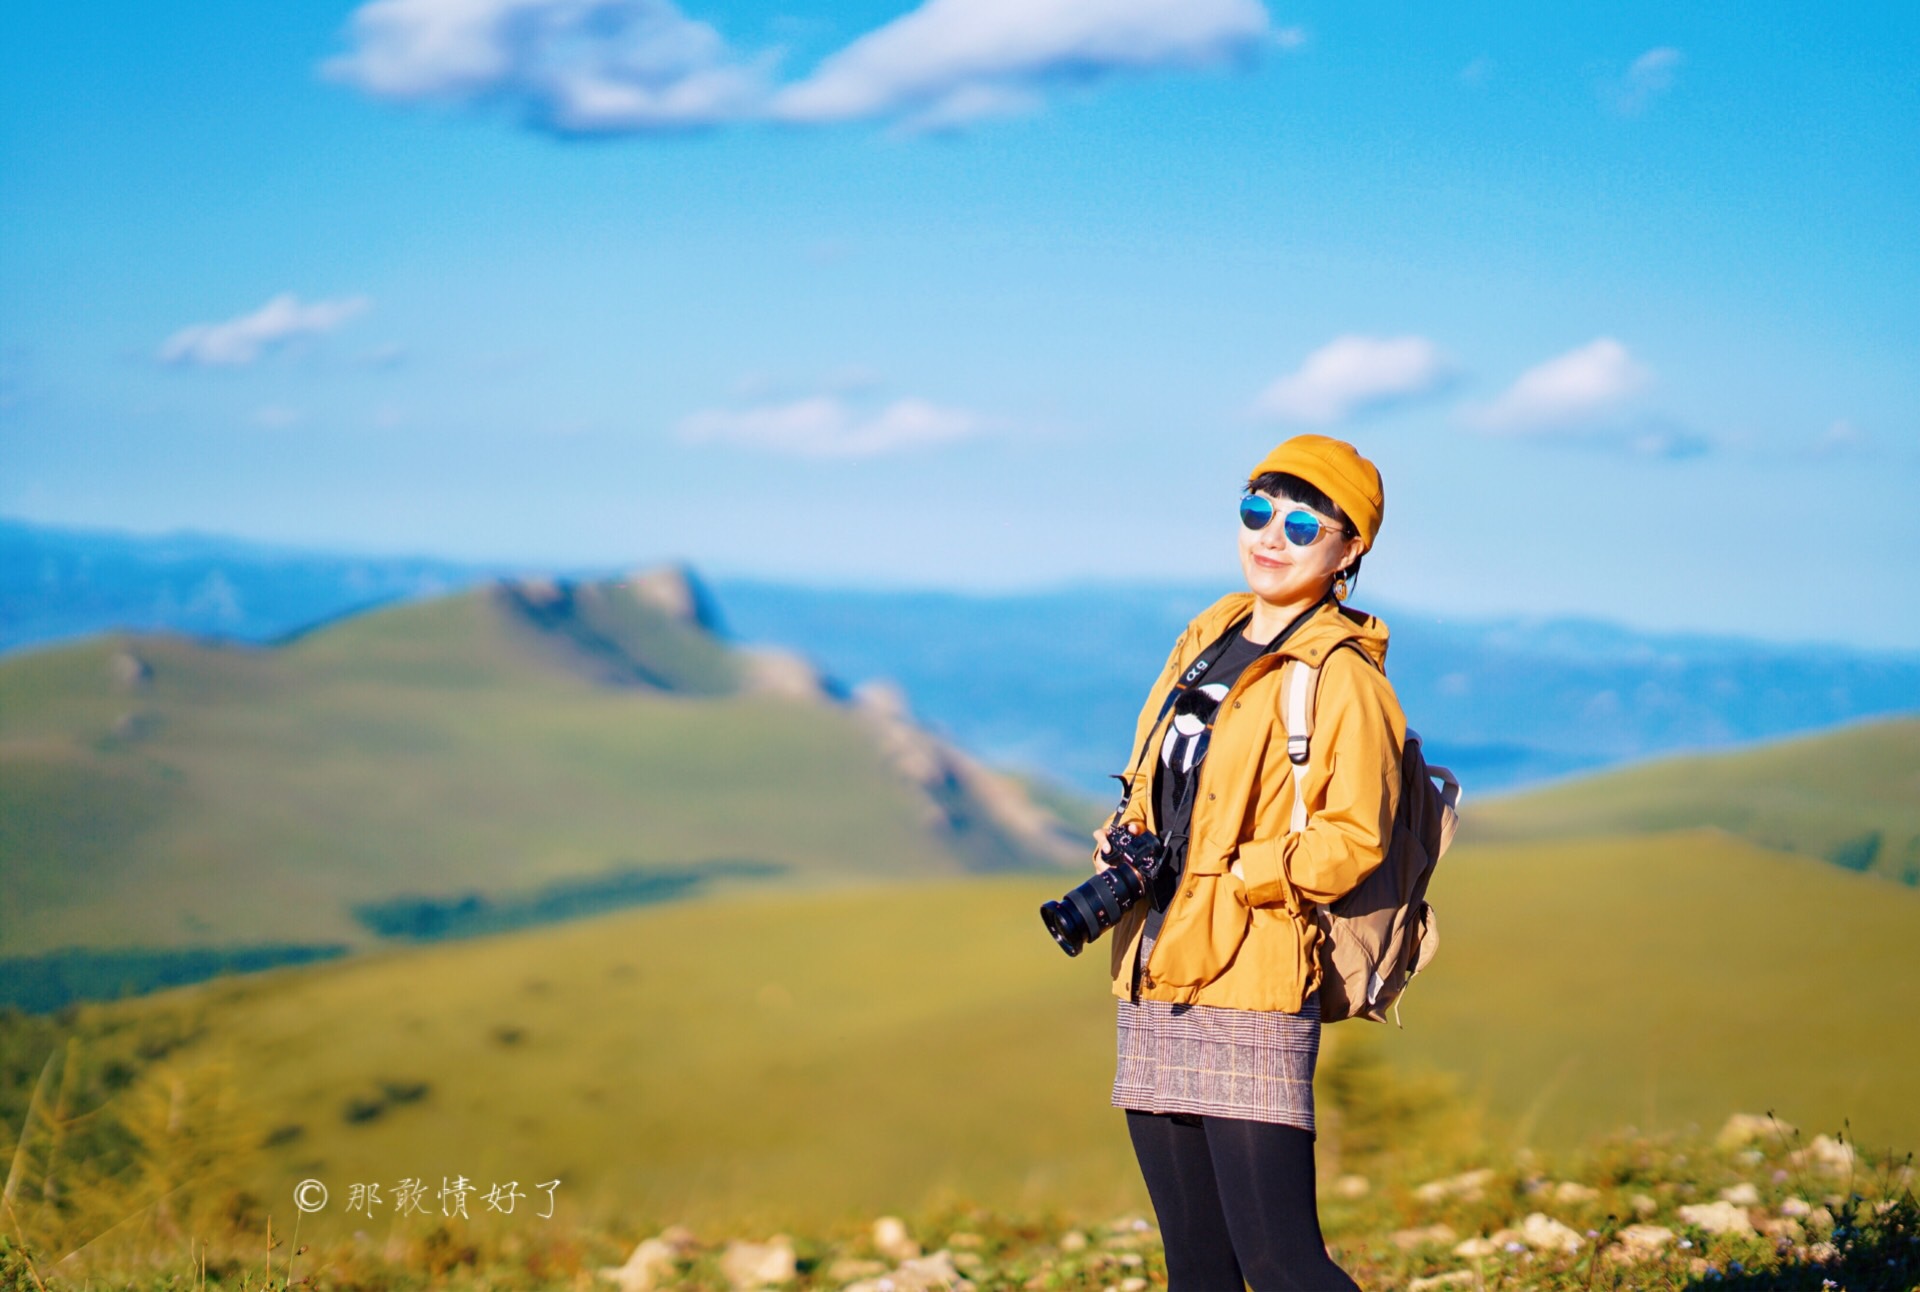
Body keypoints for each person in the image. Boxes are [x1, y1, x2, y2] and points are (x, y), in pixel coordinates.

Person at [1093, 433, 1406, 1291]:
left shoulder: (1342, 676)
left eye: (1303, 524)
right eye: (1256, 509)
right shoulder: (1210, 631)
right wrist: (1123, 830)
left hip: (1253, 966)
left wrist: (1237, 879)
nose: (1271, 537)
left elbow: (1355, 838)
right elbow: (1155, 770)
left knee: (1281, 1262)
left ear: (1350, 550)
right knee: (1195, 1266)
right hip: (1155, 964)